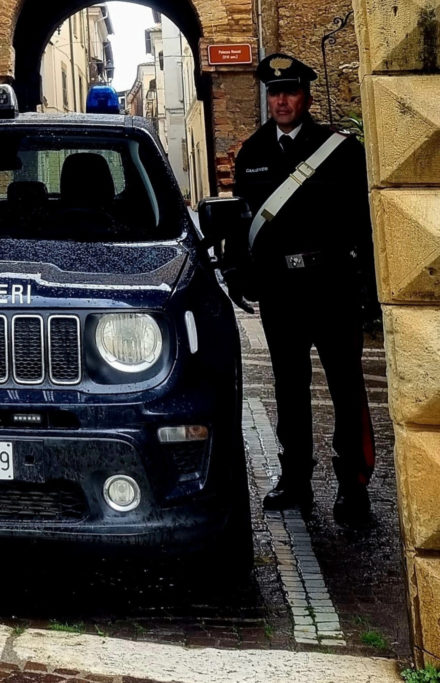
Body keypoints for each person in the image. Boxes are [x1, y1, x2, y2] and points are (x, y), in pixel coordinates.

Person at [228, 53, 376, 526]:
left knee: (346, 387)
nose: (281, 101)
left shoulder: (340, 150)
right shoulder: (252, 154)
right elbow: (241, 222)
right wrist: (237, 273)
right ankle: (295, 479)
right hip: (282, 292)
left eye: (289, 91)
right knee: (289, 388)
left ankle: (354, 486)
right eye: (274, 93)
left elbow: (365, 225)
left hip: (332, 287)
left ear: (306, 96)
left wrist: (370, 291)